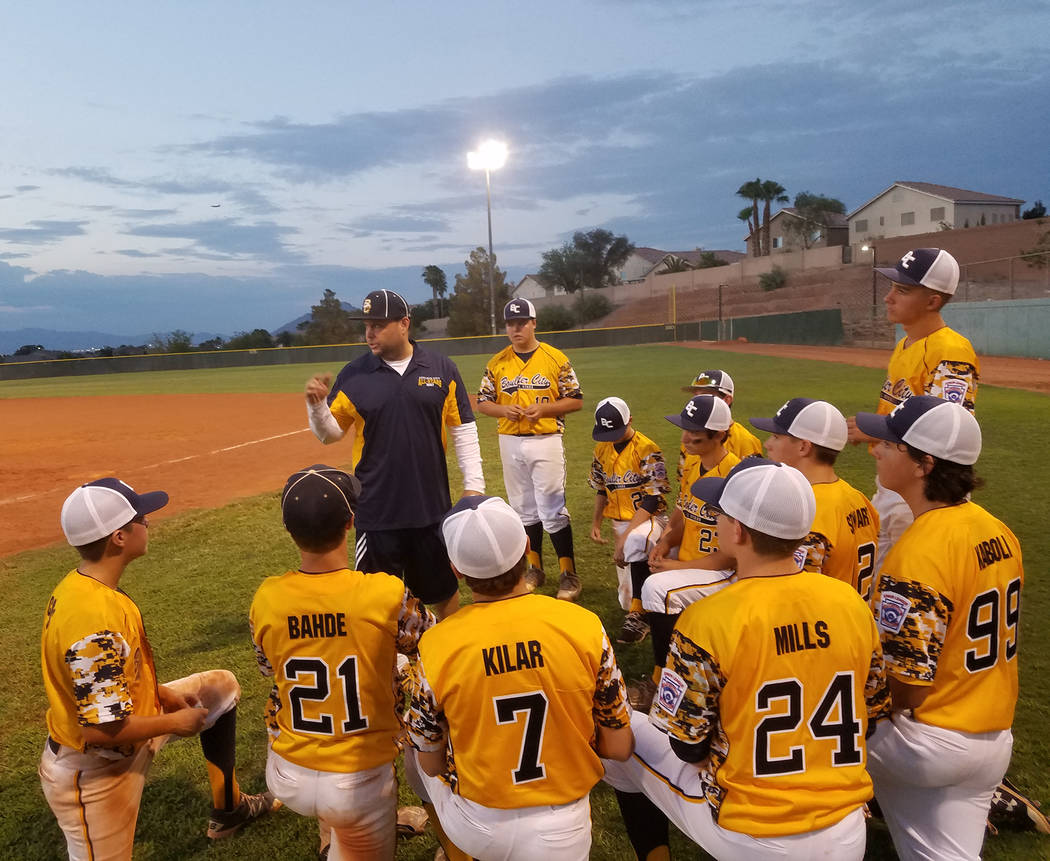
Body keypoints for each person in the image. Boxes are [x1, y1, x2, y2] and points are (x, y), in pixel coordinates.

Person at [603, 458, 890, 861]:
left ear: (737, 530)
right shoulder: (850, 603)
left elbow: (687, 747)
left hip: (755, 833)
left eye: (721, 513)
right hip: (845, 827)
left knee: (625, 735)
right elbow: (873, 716)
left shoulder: (708, 618)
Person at [39, 478, 277, 860]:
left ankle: (229, 808)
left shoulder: (87, 586)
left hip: (128, 725)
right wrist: (173, 723)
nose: (147, 521)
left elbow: (120, 679)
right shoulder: (92, 620)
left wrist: (163, 695)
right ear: (119, 537)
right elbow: (100, 729)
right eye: (140, 517)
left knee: (220, 688)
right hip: (95, 771)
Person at [405, 495, 634, 860]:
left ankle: (453, 853)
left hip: (479, 823)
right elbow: (619, 747)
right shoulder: (582, 624)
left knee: (416, 745)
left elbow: (431, 764)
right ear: (527, 548)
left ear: (456, 570)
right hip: (564, 825)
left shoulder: (437, 645)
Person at [855, 396, 1035, 859]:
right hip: (992, 742)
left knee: (796, 723)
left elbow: (908, 687)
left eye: (891, 443)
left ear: (923, 465)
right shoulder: (997, 530)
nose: (876, 448)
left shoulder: (921, 550)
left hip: (924, 742)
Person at [249, 465, 436, 860]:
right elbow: (429, 640)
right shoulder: (383, 591)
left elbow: (268, 667)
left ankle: (331, 839)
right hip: (359, 781)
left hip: (288, 773)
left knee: (291, 678)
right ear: (351, 522)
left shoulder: (267, 596)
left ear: (288, 529)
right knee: (404, 671)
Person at [304, 289, 485, 619]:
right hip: (376, 514)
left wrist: (474, 485)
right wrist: (317, 407)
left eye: (378, 324)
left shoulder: (441, 368)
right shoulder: (355, 374)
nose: (369, 333)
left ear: (404, 324)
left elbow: (463, 430)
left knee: (444, 595)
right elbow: (329, 435)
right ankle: (391, 668)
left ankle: (443, 661)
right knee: (374, 607)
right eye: (366, 325)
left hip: (431, 511)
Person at [844, 248, 978, 570]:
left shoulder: (951, 350)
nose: (889, 297)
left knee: (909, 580)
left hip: (924, 489)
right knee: (875, 579)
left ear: (932, 301)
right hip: (896, 480)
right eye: (892, 287)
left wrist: (872, 429)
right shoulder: (905, 344)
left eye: (902, 290)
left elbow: (946, 428)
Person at [633, 395, 739, 710]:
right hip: (690, 561)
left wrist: (675, 566)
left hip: (722, 570)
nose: (684, 438)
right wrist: (666, 542)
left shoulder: (735, 475)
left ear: (719, 435)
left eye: (694, 434)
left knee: (658, 589)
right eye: (685, 429)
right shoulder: (692, 463)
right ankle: (644, 621)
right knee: (644, 543)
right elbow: (682, 513)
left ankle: (659, 680)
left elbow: (733, 555)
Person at [476, 297, 584, 601]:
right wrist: (502, 410)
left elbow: (576, 399)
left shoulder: (555, 358)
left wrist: (547, 409)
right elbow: (483, 402)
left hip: (545, 439)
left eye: (521, 322)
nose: (515, 328)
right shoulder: (497, 362)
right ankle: (534, 569)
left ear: (533, 323)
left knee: (552, 509)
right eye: (510, 323)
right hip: (509, 440)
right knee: (524, 510)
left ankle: (568, 574)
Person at [751, 397, 880, 602]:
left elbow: (795, 595)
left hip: (822, 625)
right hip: (853, 616)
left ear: (804, 447)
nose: (767, 444)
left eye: (776, 436)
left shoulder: (806, 511)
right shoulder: (858, 499)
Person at [588, 396, 670, 644]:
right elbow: (602, 488)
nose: (611, 436)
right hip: (619, 521)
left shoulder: (647, 449)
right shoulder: (601, 449)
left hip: (649, 519)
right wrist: (596, 522)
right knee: (626, 596)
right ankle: (638, 608)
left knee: (635, 543)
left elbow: (653, 499)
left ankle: (641, 617)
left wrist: (625, 538)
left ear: (630, 420)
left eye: (616, 429)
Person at [679, 368, 762, 460]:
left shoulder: (745, 441)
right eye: (696, 395)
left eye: (705, 395)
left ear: (727, 400)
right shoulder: (689, 436)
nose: (698, 400)